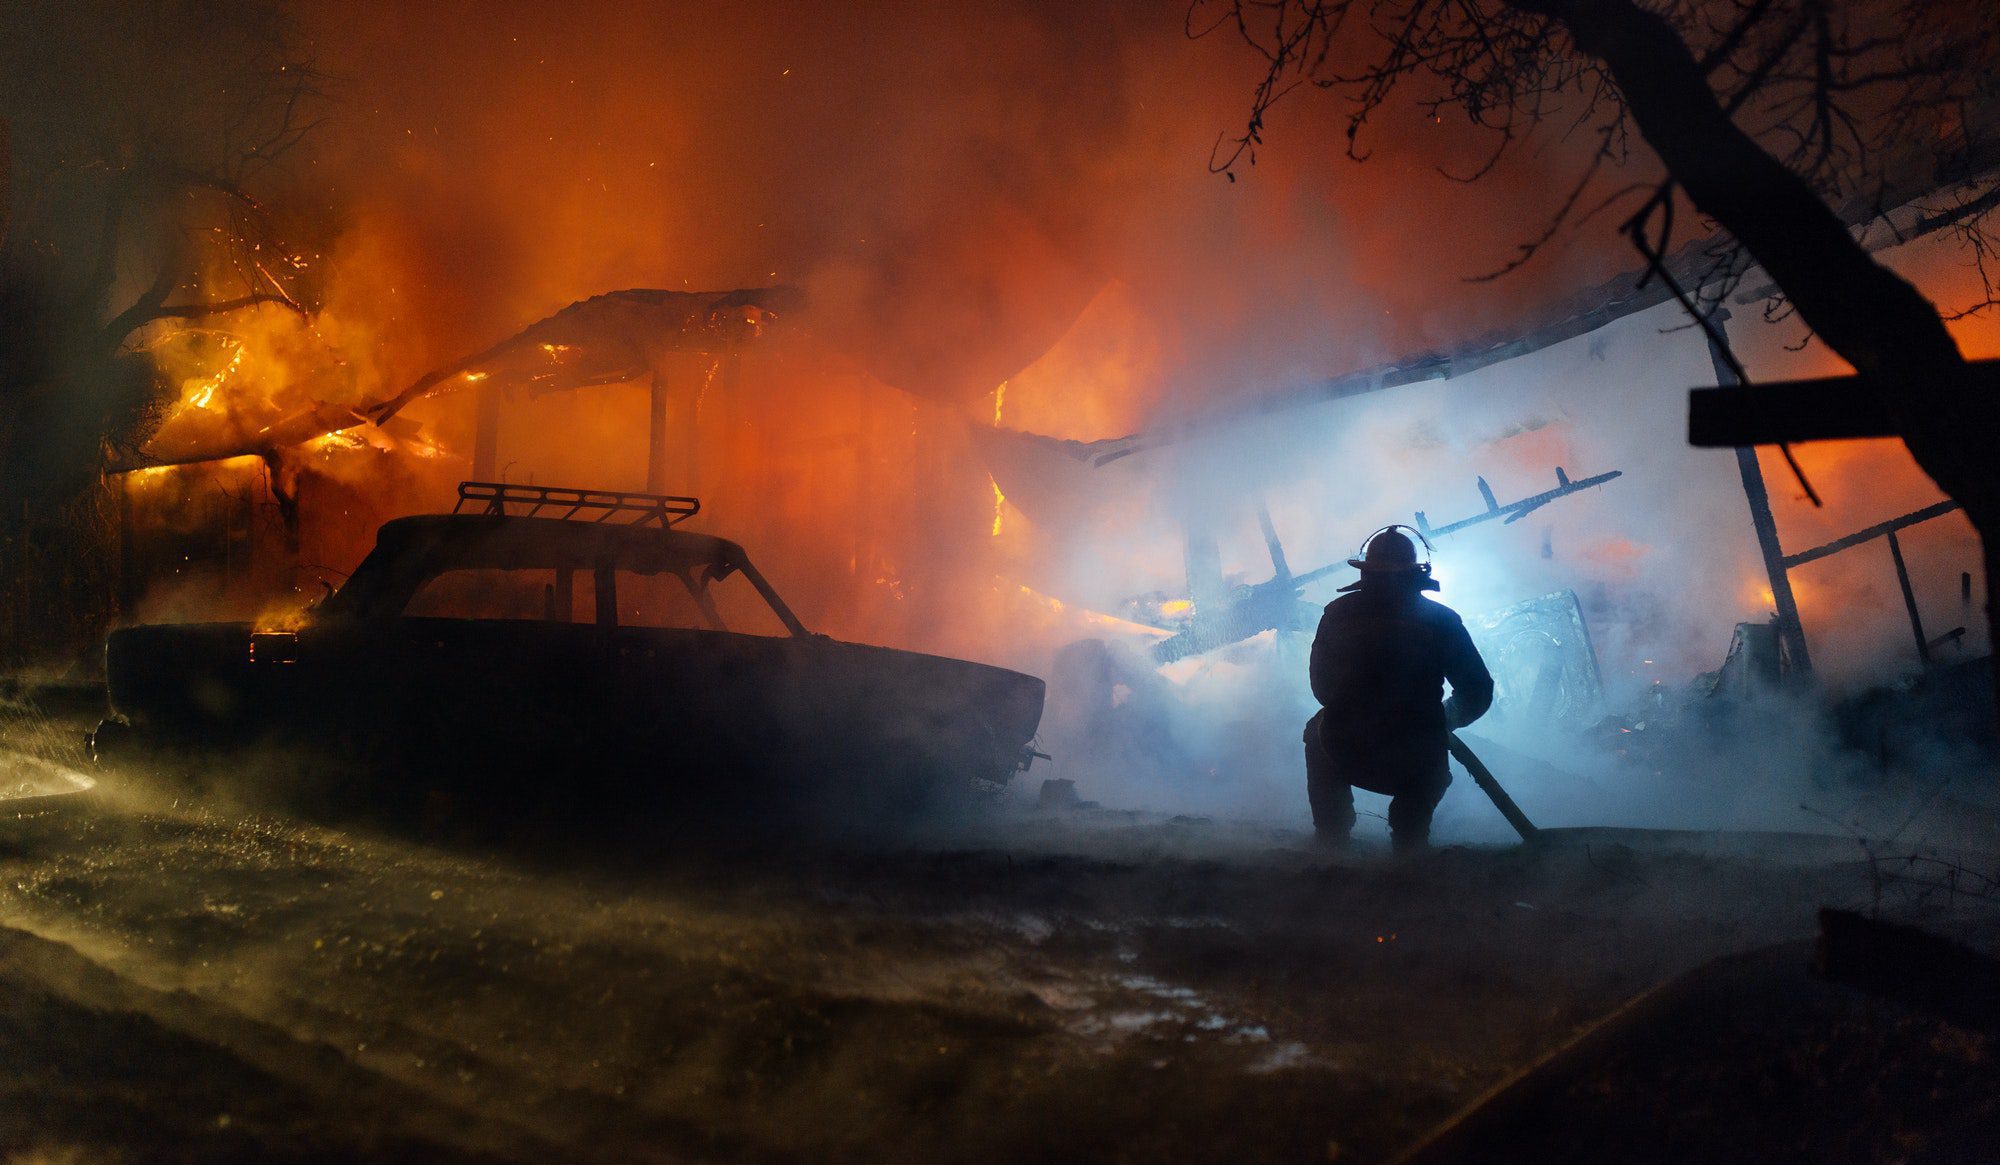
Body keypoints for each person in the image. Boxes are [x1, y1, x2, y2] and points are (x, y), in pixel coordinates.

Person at [1304, 525, 1493, 851]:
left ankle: (1331, 837)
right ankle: (1410, 837)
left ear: (1367, 571)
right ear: (1416, 571)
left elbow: (1321, 685)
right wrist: (1445, 720)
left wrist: (1352, 709)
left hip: (1346, 748)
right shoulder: (1442, 620)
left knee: (1316, 729)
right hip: (1415, 758)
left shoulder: (1337, 615)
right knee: (1427, 771)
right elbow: (1477, 690)